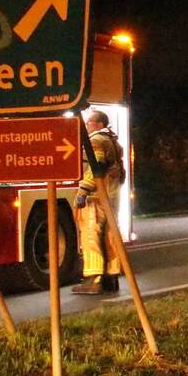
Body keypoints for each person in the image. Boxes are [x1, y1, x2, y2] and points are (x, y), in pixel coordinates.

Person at [71, 109, 125, 295]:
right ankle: (111, 277)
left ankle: (93, 279)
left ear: (100, 124)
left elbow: (95, 169)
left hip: (95, 197)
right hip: (110, 197)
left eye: (90, 122)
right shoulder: (113, 141)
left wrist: (83, 190)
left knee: (90, 235)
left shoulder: (95, 140)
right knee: (109, 236)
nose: (86, 125)